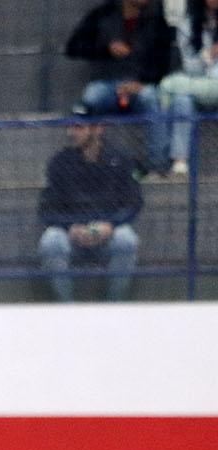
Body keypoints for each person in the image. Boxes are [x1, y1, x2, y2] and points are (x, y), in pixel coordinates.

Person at [38, 107, 143, 301]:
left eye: (78, 127)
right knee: (50, 241)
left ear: (97, 129)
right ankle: (66, 308)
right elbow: (46, 207)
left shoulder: (119, 159)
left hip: (107, 232)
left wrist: (111, 225)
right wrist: (70, 227)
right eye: (69, 126)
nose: (71, 132)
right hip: (73, 235)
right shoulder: (60, 162)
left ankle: (114, 304)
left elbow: (134, 202)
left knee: (126, 240)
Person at [65, 0, 175, 176]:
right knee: (91, 96)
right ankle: (82, 162)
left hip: (141, 86)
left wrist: (143, 82)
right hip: (108, 84)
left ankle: (157, 167)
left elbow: (164, 62)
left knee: (152, 98)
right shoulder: (102, 15)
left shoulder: (156, 20)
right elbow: (73, 47)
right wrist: (106, 49)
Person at [161, 0, 218, 177]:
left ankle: (170, 86)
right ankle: (180, 161)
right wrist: (208, 55)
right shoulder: (188, 24)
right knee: (181, 100)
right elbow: (190, 67)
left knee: (174, 86)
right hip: (200, 84)